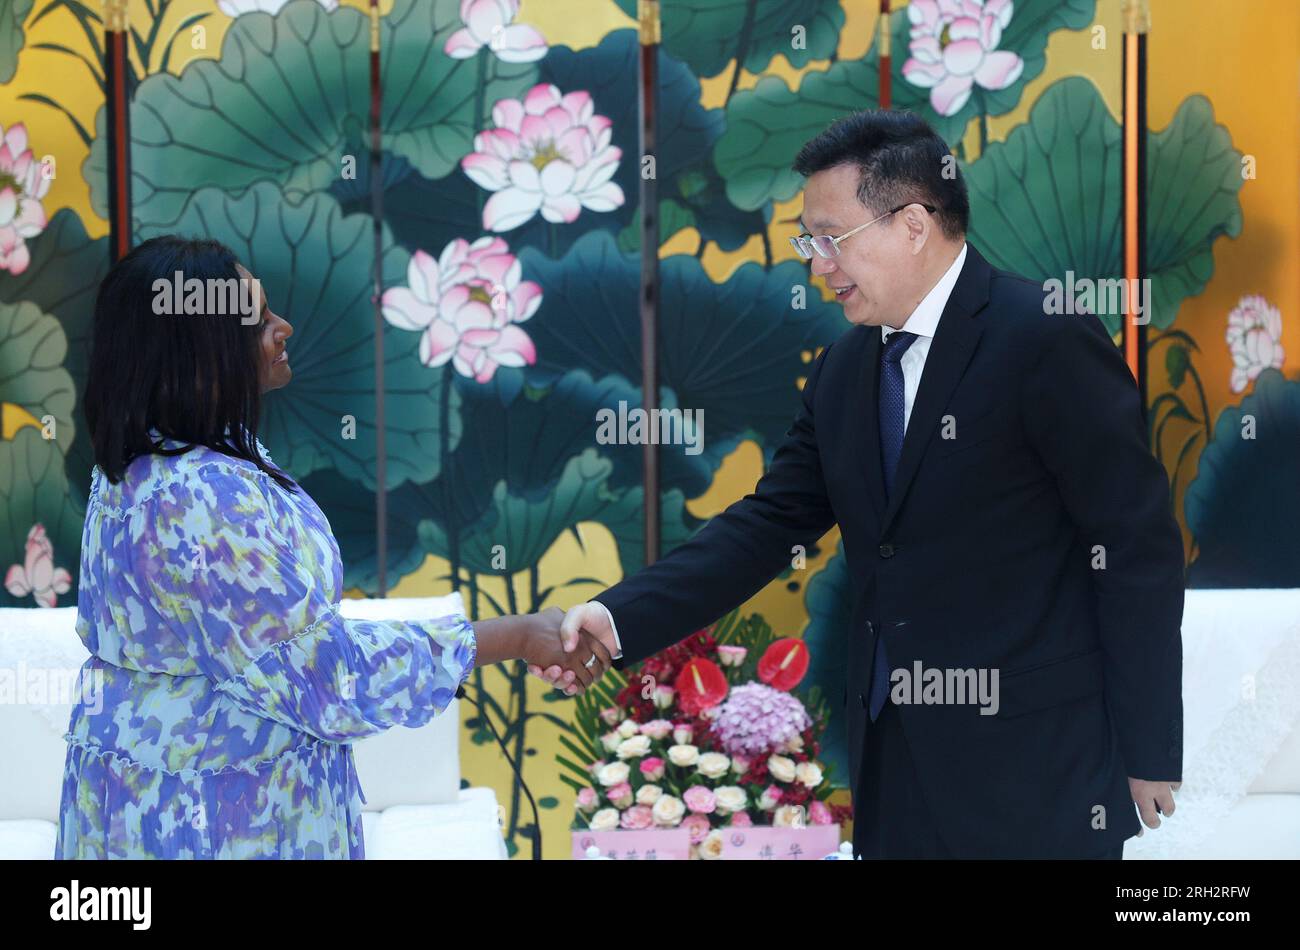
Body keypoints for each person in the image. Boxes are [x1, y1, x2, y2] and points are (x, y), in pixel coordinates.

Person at [540, 110, 1185, 859]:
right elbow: (766, 526)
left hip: (1034, 761)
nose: (817, 263)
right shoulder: (846, 369)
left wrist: (1148, 749)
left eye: (830, 238)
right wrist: (616, 619)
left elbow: (1134, 546)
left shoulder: (1042, 335)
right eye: (806, 241)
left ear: (913, 224)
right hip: (892, 754)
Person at [57, 235, 609, 859]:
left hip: (157, 804)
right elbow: (326, 678)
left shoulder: (145, 463)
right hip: (209, 825)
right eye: (259, 318)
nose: (282, 327)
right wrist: (511, 635)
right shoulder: (202, 499)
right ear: (196, 350)